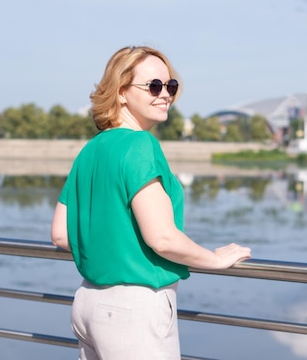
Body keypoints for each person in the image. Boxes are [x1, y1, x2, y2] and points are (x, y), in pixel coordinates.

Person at [50, 45, 252, 360]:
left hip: (88, 303)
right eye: (153, 86)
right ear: (120, 93)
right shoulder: (141, 144)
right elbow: (162, 237)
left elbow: (61, 234)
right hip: (134, 311)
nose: (165, 94)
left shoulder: (90, 150)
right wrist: (214, 259)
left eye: (170, 85)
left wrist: (112, 249)